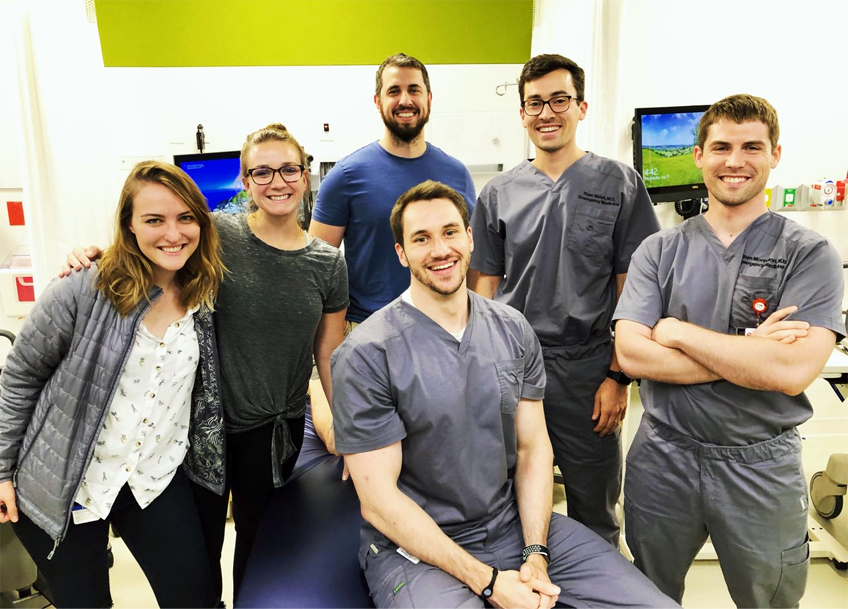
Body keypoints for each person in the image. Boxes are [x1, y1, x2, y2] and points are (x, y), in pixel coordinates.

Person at [331, 180, 677, 609]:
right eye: (421, 239)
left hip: (511, 526)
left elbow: (534, 451)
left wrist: (535, 553)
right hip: (417, 549)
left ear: (470, 238)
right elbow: (380, 503)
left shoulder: (511, 329)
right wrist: (489, 582)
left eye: (450, 232)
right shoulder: (367, 353)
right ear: (401, 253)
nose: (440, 250)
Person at [62, 124, 349, 603]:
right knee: (198, 554)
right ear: (245, 179)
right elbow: (153, 250)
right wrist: (93, 253)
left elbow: (329, 357)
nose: (277, 181)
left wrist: (346, 428)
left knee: (258, 548)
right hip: (198, 428)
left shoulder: (327, 263)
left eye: (288, 169)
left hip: (274, 432)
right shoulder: (218, 234)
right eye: (262, 171)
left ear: (305, 175)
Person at [613, 94, 845, 607]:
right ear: (699, 155)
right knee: (650, 591)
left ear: (775, 154)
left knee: (769, 597)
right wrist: (748, 352)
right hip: (663, 455)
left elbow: (789, 371)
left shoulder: (808, 255)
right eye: (720, 147)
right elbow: (632, 354)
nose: (734, 161)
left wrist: (675, 330)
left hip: (758, 463)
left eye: (751, 147)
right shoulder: (659, 250)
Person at [0, 161, 225, 608]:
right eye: (154, 220)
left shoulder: (206, 291)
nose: (172, 233)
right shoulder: (84, 288)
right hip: (68, 482)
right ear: (129, 225)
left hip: (153, 478)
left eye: (185, 218)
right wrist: (1, 471)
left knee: (195, 598)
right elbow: (19, 379)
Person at [468, 53, 659, 546]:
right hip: (512, 365)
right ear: (522, 113)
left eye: (559, 99)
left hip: (588, 368)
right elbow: (482, 288)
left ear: (581, 106)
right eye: (535, 102)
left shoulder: (619, 183)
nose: (547, 112)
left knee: (594, 504)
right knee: (505, 497)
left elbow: (633, 291)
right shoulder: (499, 193)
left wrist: (619, 376)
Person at [310, 52, 476, 330]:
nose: (405, 100)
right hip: (370, 329)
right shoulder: (346, 177)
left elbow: (470, 259)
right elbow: (317, 271)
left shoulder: (456, 174)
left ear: (429, 99)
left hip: (444, 326)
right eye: (394, 91)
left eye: (414, 90)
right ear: (378, 102)